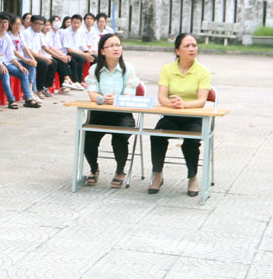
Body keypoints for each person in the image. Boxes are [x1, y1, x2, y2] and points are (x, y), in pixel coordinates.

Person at [149, 33, 211, 198]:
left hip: (194, 117)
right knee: (156, 135)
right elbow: (162, 96)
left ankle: (192, 177)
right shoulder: (167, 70)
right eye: (187, 46)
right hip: (172, 115)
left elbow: (202, 100)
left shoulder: (203, 71)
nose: (192, 49)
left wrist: (185, 105)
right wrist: (172, 104)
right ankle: (157, 174)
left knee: (191, 140)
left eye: (194, 45)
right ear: (177, 50)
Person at [83, 33, 141, 189]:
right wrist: (102, 100)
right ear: (102, 51)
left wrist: (117, 100)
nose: (116, 48)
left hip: (122, 114)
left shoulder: (128, 69)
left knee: (120, 138)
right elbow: (92, 93)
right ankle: (94, 169)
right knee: (88, 139)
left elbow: (129, 94)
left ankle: (120, 171)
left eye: (118, 44)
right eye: (111, 45)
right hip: (100, 112)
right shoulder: (95, 69)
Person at [0, 13, 38, 109]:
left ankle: (28, 99)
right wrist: (0, 65)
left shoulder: (7, 37)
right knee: (6, 74)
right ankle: (11, 100)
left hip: (7, 63)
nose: (4, 25)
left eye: (5, 22)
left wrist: (19, 65)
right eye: (1, 22)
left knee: (24, 73)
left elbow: (10, 55)